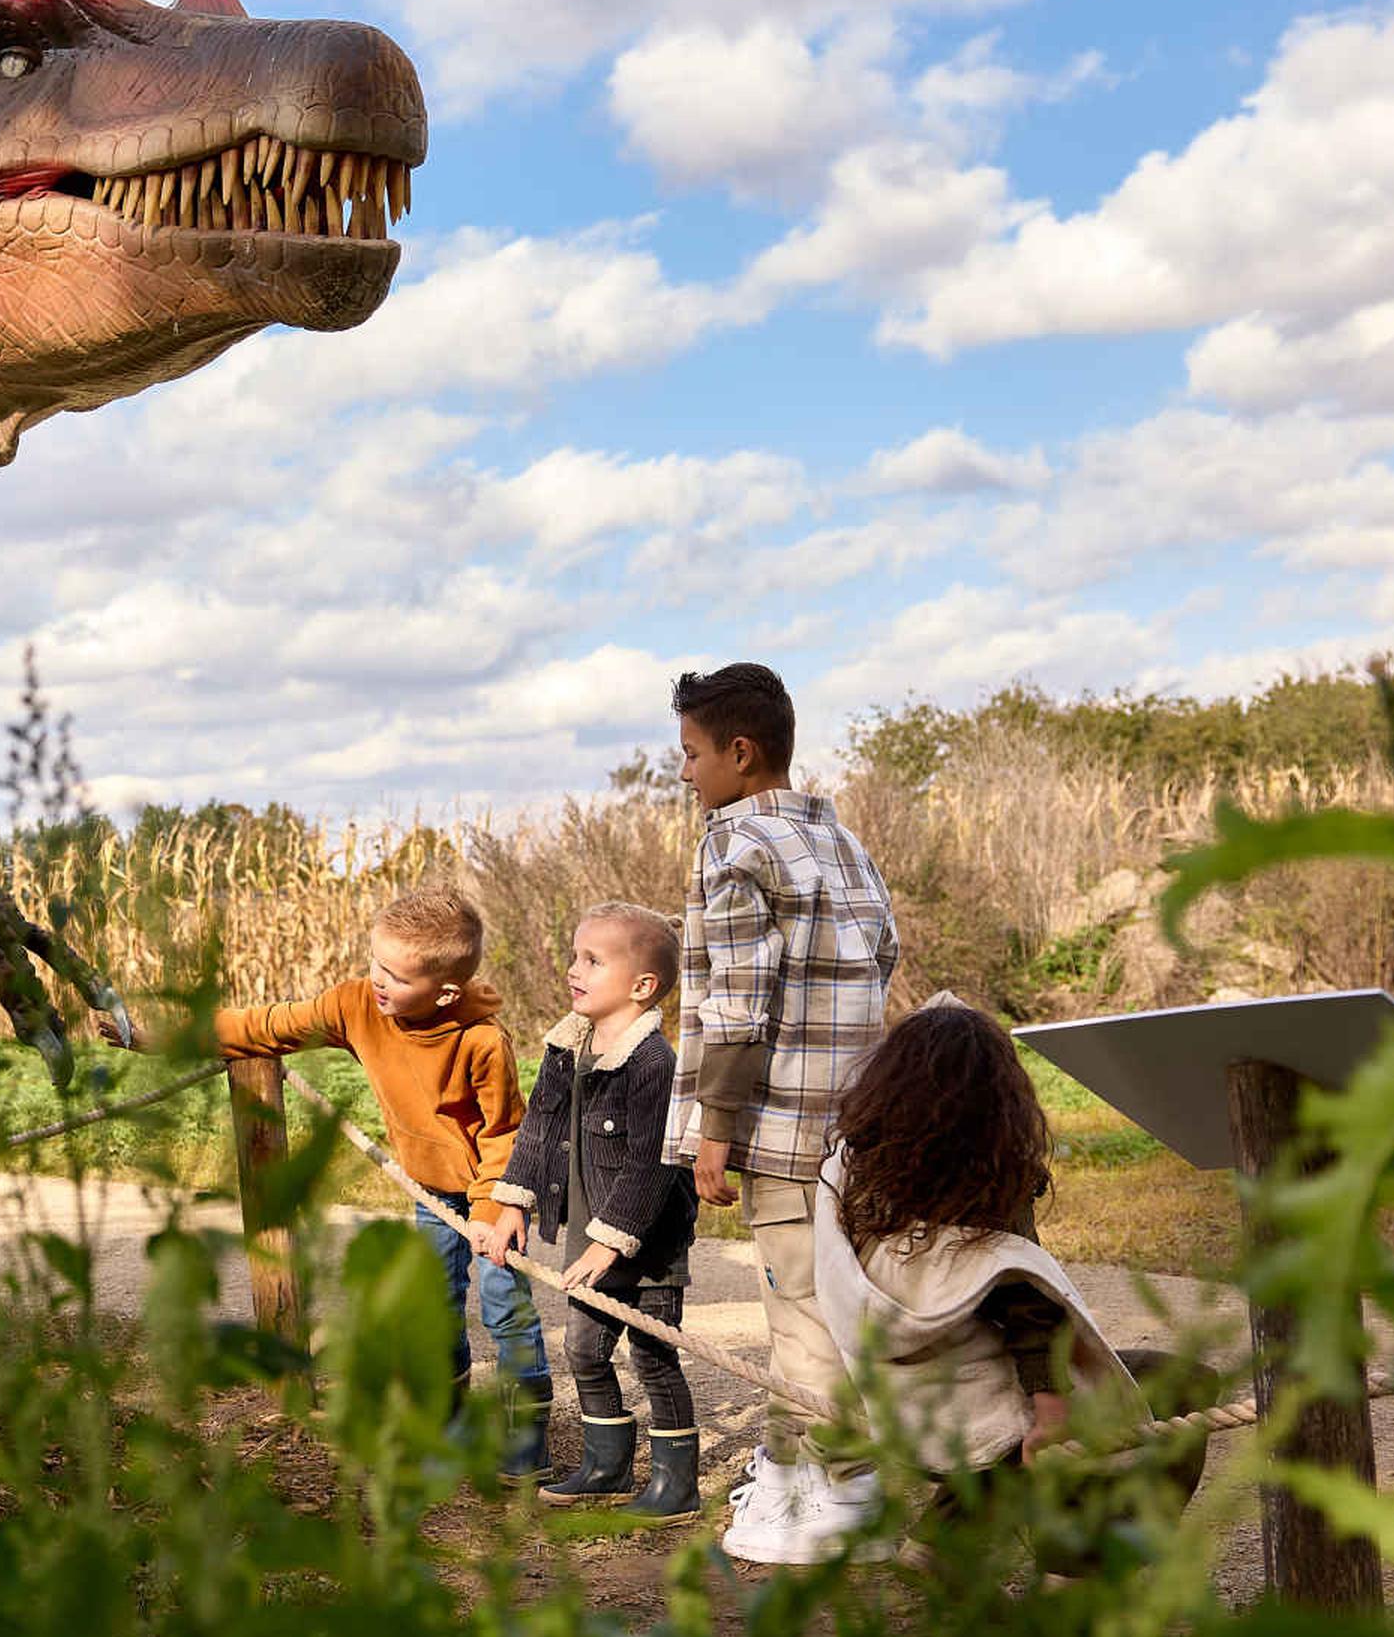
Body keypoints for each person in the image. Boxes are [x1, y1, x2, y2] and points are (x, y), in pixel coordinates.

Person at [807, 999, 1205, 1565]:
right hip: (976, 1425)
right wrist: (1053, 1414)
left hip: (905, 1412)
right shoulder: (985, 1188)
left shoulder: (849, 1172)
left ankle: (941, 1543)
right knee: (1183, 1383)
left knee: (999, 1406)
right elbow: (1031, 1314)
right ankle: (1082, 1573)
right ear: (998, 1100)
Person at [661, 661, 901, 1568]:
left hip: (779, 1129)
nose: (685, 774)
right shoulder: (839, 842)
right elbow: (883, 955)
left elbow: (737, 999)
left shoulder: (733, 847)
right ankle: (817, 1467)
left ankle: (838, 1490)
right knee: (849, 1301)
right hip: (855, 1122)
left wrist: (715, 1130)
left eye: (690, 755)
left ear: (740, 752)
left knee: (797, 1310)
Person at [218, 886, 547, 1469]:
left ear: (445, 991)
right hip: (429, 1191)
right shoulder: (360, 1006)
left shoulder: (480, 1039)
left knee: (505, 1307)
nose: (377, 981)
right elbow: (273, 1024)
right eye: (375, 964)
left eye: (394, 975)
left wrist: (497, 1212)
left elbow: (505, 1133)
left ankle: (526, 1442)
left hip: (490, 1194)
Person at [473, 903, 700, 1515]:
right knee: (584, 1349)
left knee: (652, 1354)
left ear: (641, 986)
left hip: (646, 1240)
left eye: (592, 961)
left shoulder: (654, 1065)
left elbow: (653, 1163)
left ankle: (677, 1485)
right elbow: (539, 1129)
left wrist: (612, 1241)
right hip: (589, 1231)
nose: (573, 969)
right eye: (574, 956)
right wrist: (512, 1204)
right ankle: (607, 1467)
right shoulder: (566, 1045)